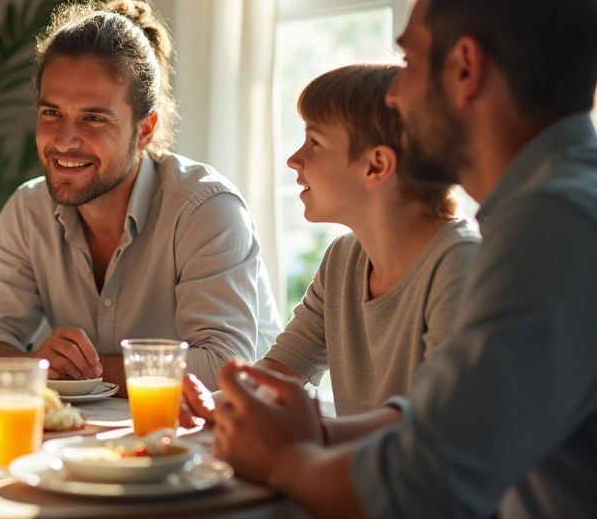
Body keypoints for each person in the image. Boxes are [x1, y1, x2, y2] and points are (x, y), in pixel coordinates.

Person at [197, 0, 597, 518]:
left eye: (409, 61)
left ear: (465, 69)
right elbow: (447, 423)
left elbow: (424, 483)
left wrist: (285, 459)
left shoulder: (553, 223)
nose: (394, 94)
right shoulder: (551, 206)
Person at [0, 0, 283, 389]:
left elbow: (222, 367)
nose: (63, 140)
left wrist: (83, 372)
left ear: (144, 130)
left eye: (93, 118)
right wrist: (35, 364)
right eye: (51, 113)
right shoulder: (28, 211)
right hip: (106, 428)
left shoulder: (205, 209)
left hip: (247, 424)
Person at [192, 64, 478, 418]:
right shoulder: (344, 259)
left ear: (376, 166)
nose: (293, 159)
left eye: (314, 142)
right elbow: (276, 373)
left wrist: (313, 436)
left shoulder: (458, 264)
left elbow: (435, 424)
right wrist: (198, 407)